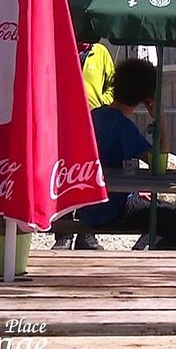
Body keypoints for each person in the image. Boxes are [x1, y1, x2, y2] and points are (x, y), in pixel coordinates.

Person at [78, 58, 176, 250]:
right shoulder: (124, 127)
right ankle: (148, 263)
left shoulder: (94, 116)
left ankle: (142, 251)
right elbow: (159, 165)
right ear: (147, 97)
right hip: (112, 211)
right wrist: (160, 119)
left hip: (88, 208)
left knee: (160, 213)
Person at [52, 40, 115, 251]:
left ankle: (87, 234)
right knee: (62, 176)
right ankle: (63, 233)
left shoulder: (101, 52)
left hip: (94, 122)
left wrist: (101, 103)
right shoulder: (60, 43)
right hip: (62, 121)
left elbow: (112, 84)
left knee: (90, 177)